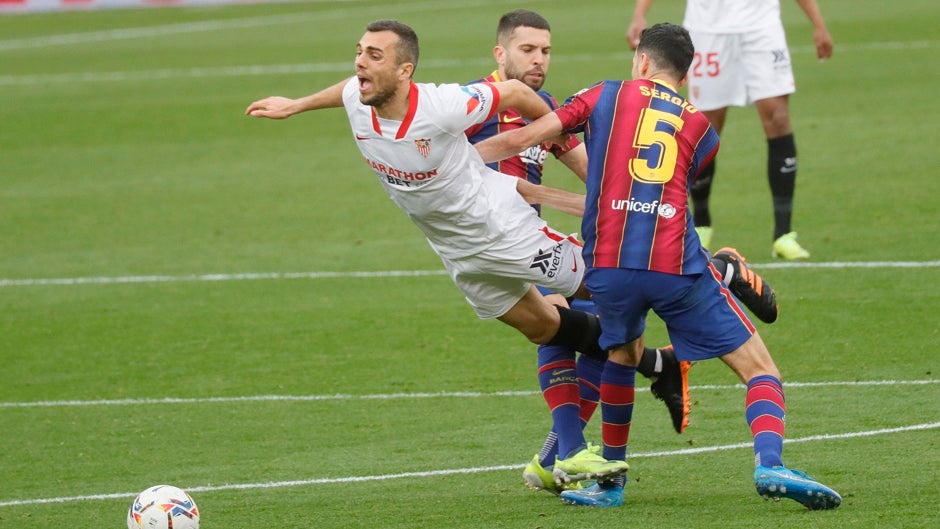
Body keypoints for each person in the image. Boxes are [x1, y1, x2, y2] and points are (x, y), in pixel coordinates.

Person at [246, 19, 634, 483]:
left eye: (375, 56)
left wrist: (550, 131)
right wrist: (295, 106)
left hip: (505, 232)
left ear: (405, 70)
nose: (360, 63)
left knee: (623, 278)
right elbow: (348, 88)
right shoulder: (358, 94)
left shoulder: (443, 105)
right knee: (546, 328)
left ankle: (711, 290)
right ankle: (586, 434)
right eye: (360, 51)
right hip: (460, 255)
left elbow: (514, 94)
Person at [474, 22, 841, 509]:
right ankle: (770, 462)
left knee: (617, 355)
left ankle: (610, 483)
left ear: (642, 62)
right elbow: (668, 188)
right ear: (685, 76)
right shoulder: (703, 129)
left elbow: (530, 138)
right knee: (760, 370)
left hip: (606, 265)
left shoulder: (602, 95)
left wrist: (456, 169)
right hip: (673, 265)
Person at [626, 0, 834, 259]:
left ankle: (784, 234)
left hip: (761, 26)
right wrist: (639, 14)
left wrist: (818, 24)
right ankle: (701, 225)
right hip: (708, 28)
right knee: (705, 123)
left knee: (777, 116)